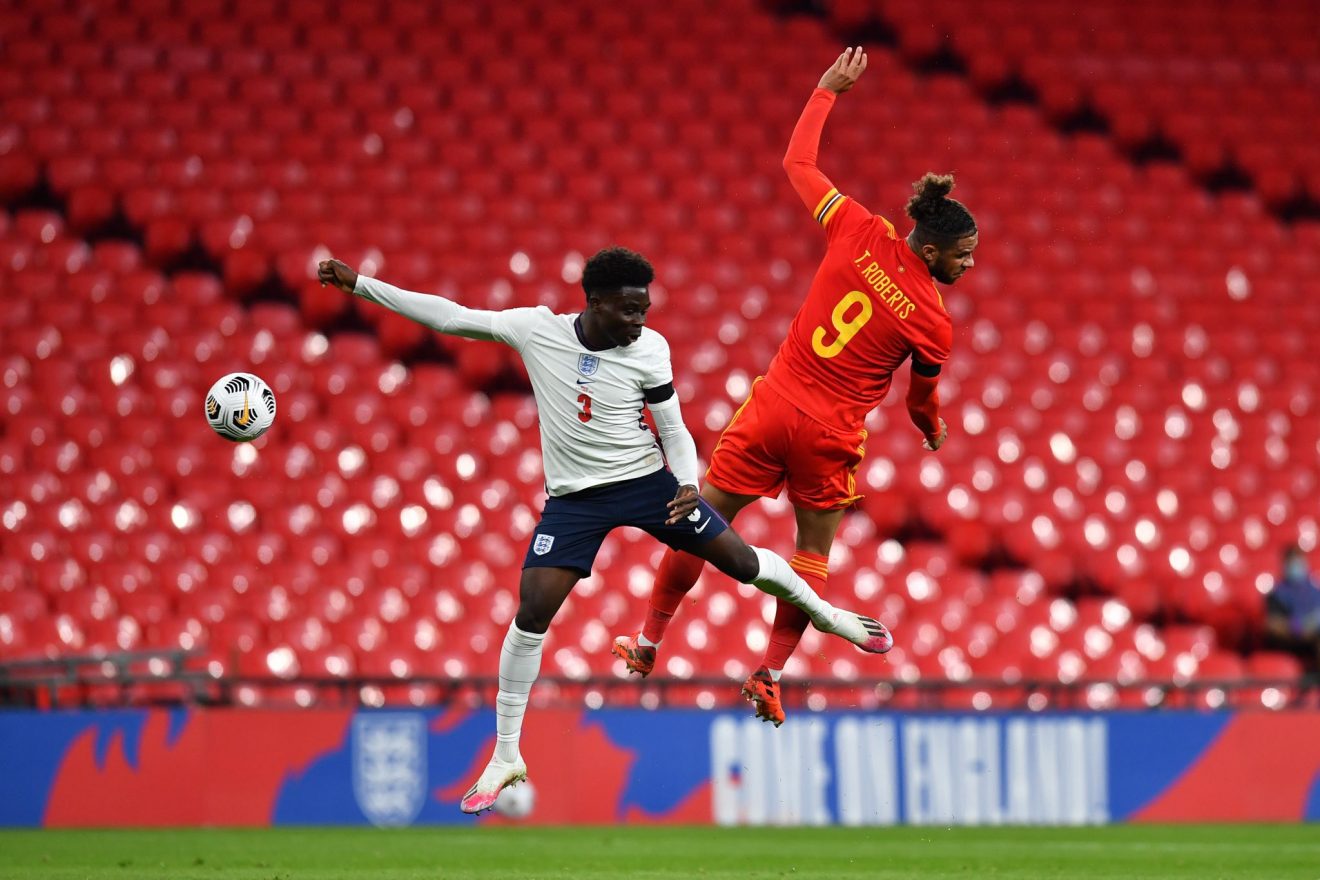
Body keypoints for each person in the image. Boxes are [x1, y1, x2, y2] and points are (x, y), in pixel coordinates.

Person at [316, 248, 890, 813]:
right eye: (628, 310)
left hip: (646, 483)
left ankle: (827, 616)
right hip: (574, 501)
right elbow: (450, 316)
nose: (639, 321)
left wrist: (687, 483)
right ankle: (505, 755)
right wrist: (362, 285)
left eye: (644, 310)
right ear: (594, 303)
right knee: (532, 610)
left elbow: (674, 429)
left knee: (740, 562)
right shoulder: (537, 330)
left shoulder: (650, 350)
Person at [613, 47, 979, 726]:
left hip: (773, 405)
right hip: (829, 435)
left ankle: (647, 641)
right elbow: (918, 400)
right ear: (931, 251)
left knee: (698, 522)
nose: (970, 264)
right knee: (812, 554)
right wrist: (932, 430)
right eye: (963, 255)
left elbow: (798, 164)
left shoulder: (858, 228)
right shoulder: (933, 320)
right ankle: (771, 672)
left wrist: (824, 91)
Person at [1263, 545, 1320, 667]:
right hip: (1288, 644)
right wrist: (1297, 628)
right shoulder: (1276, 594)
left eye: (1299, 562)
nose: (1296, 567)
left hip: (1313, 643)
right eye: (1292, 563)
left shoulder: (1315, 592)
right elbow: (1272, 625)